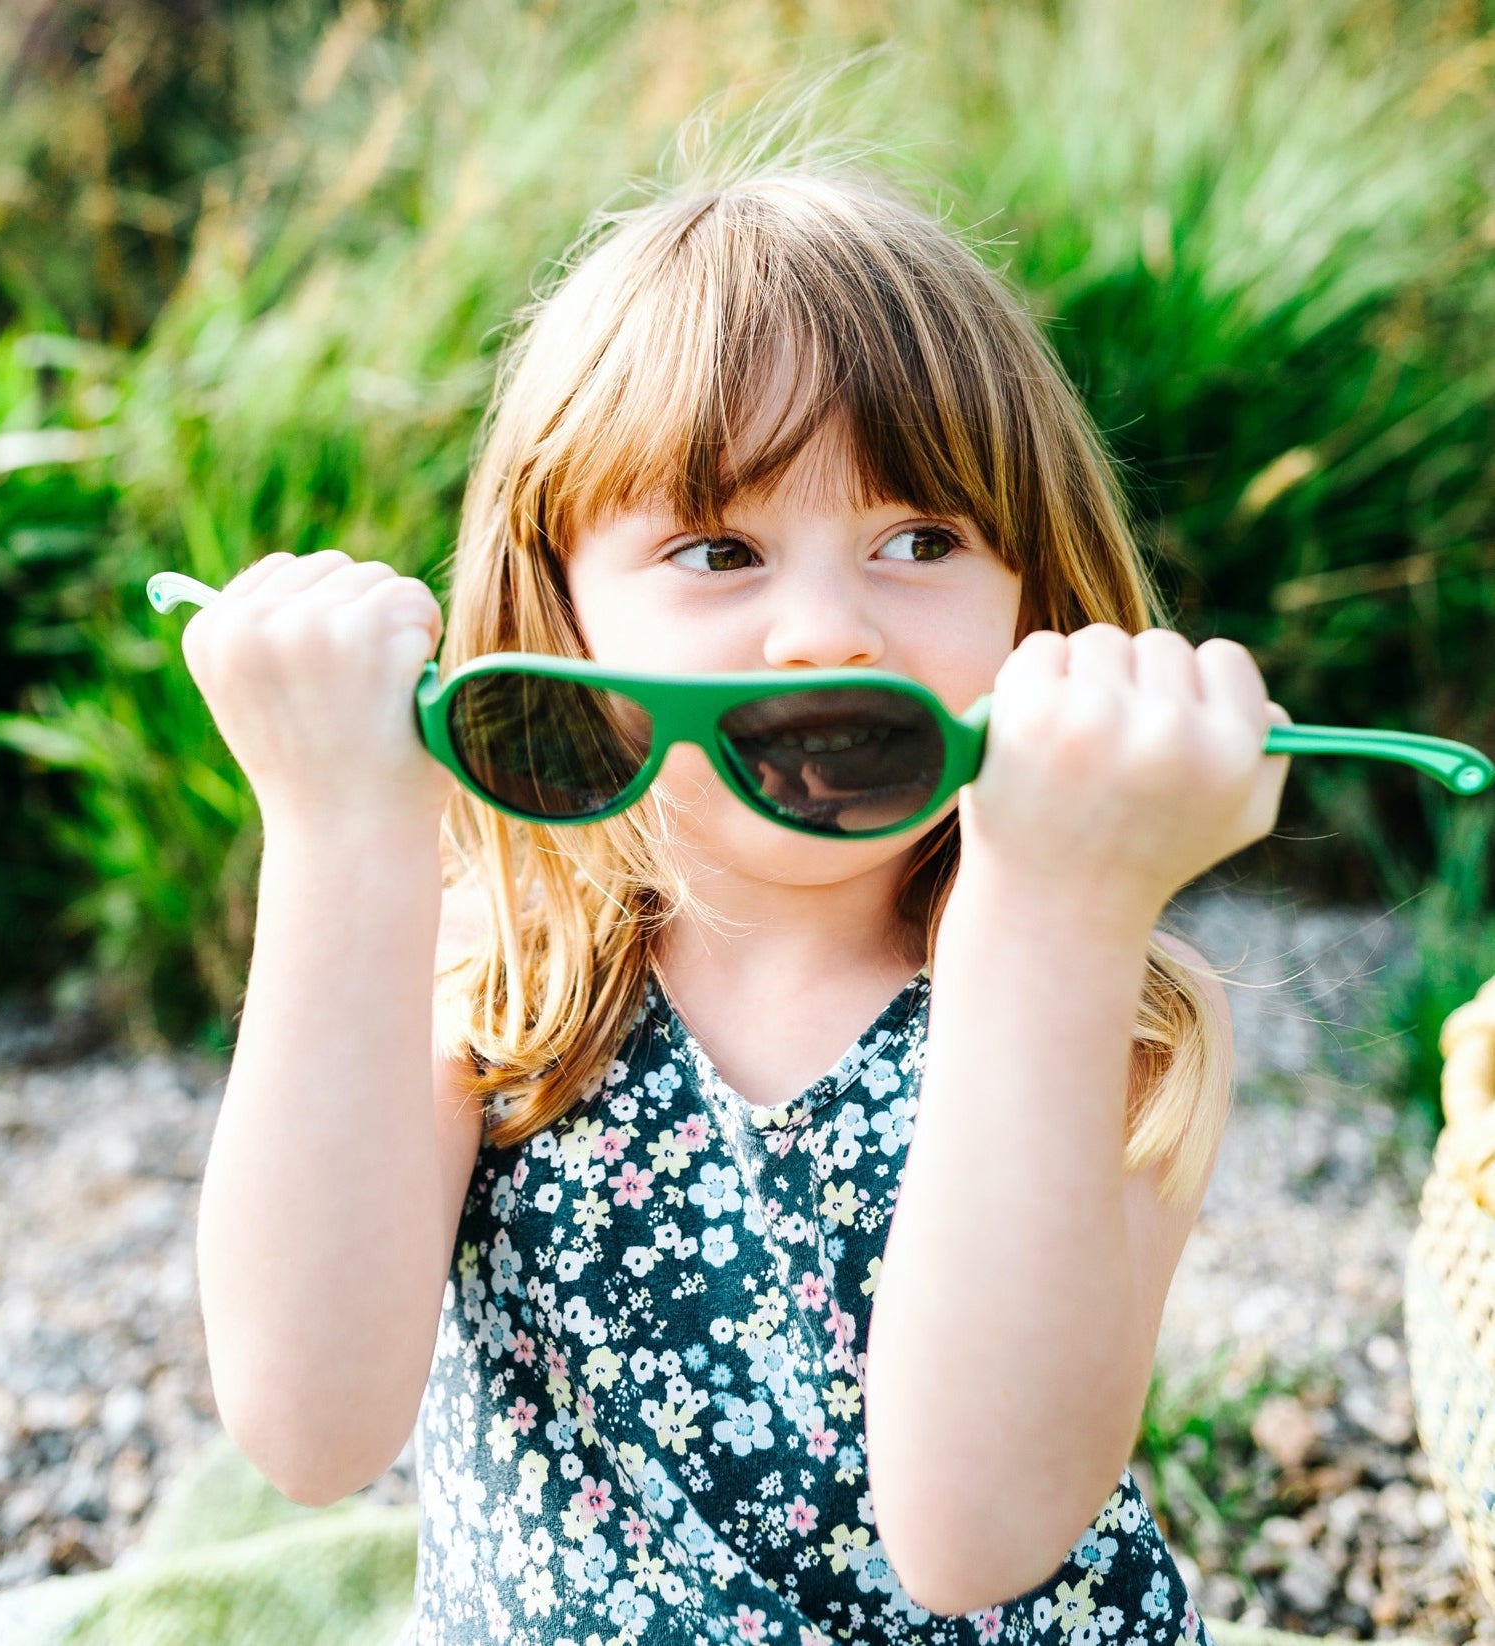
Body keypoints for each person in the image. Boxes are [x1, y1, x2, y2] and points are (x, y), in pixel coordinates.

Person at [182, 162, 1291, 1646]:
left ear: (1031, 599)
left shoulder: (1119, 1001)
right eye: (718, 550)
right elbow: (306, 1428)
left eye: (919, 540)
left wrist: (1052, 905)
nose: (830, 629)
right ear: (559, 608)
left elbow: (975, 1533)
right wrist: (335, 824)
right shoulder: (497, 964)